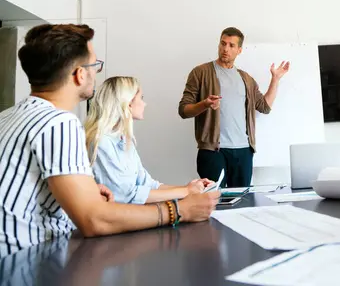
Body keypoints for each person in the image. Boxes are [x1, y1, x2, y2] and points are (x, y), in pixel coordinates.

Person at [0, 24, 220, 257]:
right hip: (25, 262)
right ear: (80, 74)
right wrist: (179, 210)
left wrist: (88, 190)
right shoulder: (59, 123)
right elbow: (94, 220)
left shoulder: (8, 115)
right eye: (95, 65)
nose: (97, 72)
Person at [178, 27, 290, 188]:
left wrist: (275, 79)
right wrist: (205, 104)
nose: (225, 49)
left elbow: (264, 107)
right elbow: (184, 110)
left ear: (239, 50)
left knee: (242, 202)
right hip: (213, 152)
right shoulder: (200, 73)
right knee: (213, 202)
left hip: (244, 151)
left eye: (231, 45)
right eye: (223, 43)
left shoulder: (246, 79)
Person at [85, 76, 214, 204]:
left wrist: (191, 187)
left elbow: (148, 184)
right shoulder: (101, 141)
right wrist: (186, 191)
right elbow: (125, 195)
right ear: (128, 104)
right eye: (141, 98)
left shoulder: (123, 140)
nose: (144, 103)